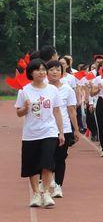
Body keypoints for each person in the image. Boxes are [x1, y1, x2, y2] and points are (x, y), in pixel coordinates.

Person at [16, 59, 65, 207]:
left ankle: (47, 194)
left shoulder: (52, 90)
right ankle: (36, 194)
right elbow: (19, 113)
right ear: (31, 72)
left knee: (47, 162)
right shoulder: (24, 91)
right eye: (38, 69)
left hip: (49, 131)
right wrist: (25, 108)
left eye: (43, 69)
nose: (42, 72)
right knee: (32, 165)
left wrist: (61, 132)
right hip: (31, 133)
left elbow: (57, 111)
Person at [46, 60, 80, 198]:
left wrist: (76, 130)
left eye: (58, 70)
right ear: (47, 72)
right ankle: (49, 182)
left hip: (64, 129)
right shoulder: (44, 88)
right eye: (52, 69)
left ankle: (58, 185)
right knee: (48, 158)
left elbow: (71, 110)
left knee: (60, 158)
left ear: (62, 72)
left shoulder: (67, 89)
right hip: (47, 129)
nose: (55, 72)